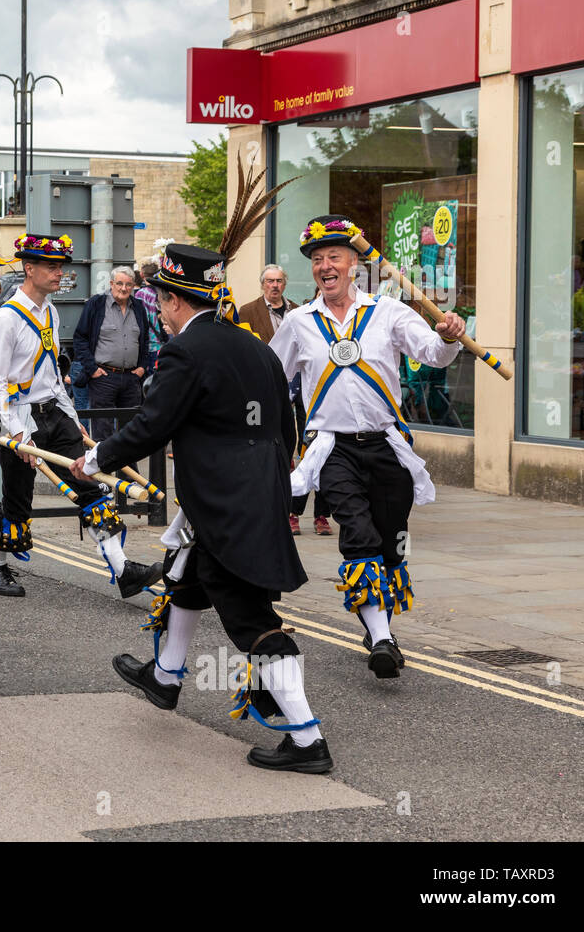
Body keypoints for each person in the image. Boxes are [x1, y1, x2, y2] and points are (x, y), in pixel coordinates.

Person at [72, 242, 330, 774]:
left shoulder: (184, 351)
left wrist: (97, 457)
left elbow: (153, 423)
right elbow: (286, 423)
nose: (159, 314)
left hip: (225, 499)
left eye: (160, 303)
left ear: (171, 301)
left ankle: (308, 740)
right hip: (253, 491)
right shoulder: (254, 344)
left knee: (249, 616)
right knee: (187, 576)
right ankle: (165, 677)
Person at [270, 215, 465, 679]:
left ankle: (379, 626)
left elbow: (432, 354)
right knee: (356, 533)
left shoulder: (388, 312)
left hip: (387, 446)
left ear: (355, 263)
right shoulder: (299, 322)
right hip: (331, 447)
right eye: (317, 260)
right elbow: (270, 377)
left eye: (334, 256)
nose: (325, 266)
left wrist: (449, 335)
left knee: (391, 542)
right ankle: (381, 638)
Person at [0, 233, 160, 600]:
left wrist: (71, 416)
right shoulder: (6, 319)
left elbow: (52, 373)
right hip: (20, 417)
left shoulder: (50, 310)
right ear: (29, 269)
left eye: (60, 266)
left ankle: (124, 569)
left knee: (90, 487)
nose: (58, 273)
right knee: (17, 502)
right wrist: (18, 435)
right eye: (51, 266)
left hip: (55, 413)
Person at [239, 264, 332, 536]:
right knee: (279, 448)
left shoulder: (299, 311)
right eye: (270, 281)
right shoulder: (247, 312)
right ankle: (284, 509)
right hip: (268, 389)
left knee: (314, 447)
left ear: (285, 283)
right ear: (262, 284)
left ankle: (320, 515)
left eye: (279, 280)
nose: (275, 285)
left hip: (306, 389)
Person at [72, 265, 152, 441]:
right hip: (104, 378)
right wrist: (92, 369)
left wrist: (142, 367)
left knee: (130, 432)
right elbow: (80, 338)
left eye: (128, 285)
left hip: (132, 378)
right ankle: (104, 468)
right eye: (119, 283)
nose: (124, 288)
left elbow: (145, 341)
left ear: (133, 286)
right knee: (103, 432)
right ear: (111, 283)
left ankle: (128, 469)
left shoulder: (138, 307)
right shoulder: (96, 304)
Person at [133, 261, 165, 355]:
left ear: (142, 274)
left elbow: (142, 320)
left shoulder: (142, 294)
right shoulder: (162, 291)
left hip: (150, 344)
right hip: (164, 341)